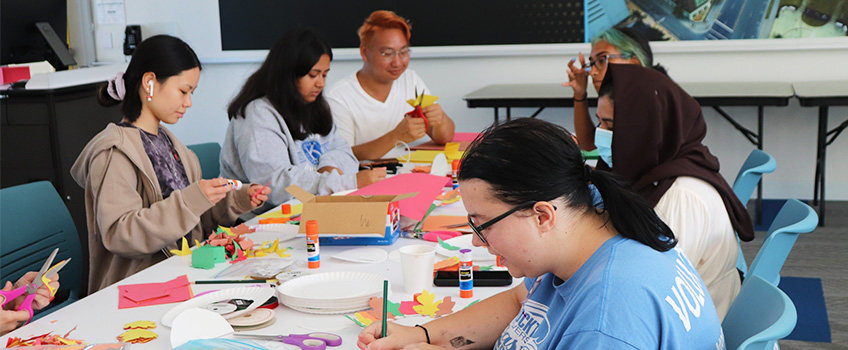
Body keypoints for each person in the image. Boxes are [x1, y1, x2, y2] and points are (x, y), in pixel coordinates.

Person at [358, 118, 724, 349]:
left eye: (482, 225)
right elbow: (522, 303)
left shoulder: (606, 322)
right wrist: (420, 335)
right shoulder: (588, 223)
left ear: (542, 215)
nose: (475, 241)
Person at [71, 35, 269, 292]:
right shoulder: (114, 153)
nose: (188, 102)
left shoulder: (176, 149)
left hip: (182, 276)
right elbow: (121, 234)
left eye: (191, 93)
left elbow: (195, 222)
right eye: (183, 91)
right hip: (138, 290)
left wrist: (237, 199)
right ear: (150, 83)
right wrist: (190, 200)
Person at [595, 63, 754, 318]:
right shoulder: (656, 172)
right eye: (599, 122)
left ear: (645, 128)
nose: (600, 135)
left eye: (611, 126)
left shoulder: (681, 196)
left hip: (694, 321)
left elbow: (657, 287)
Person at [221, 28, 385, 208]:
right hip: (264, 219)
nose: (321, 83)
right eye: (313, 75)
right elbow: (274, 184)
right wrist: (339, 183)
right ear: (288, 73)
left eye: (325, 74)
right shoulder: (258, 113)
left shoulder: (315, 105)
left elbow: (344, 152)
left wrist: (328, 168)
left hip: (311, 208)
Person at [325, 10, 455, 160]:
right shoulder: (338, 97)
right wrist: (395, 137)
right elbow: (342, 157)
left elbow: (445, 137)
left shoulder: (410, 80)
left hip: (409, 170)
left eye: (404, 52)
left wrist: (440, 120)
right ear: (365, 52)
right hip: (367, 178)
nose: (397, 62)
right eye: (387, 53)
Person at [563, 27, 667, 151]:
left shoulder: (656, 103)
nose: (592, 72)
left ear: (634, 63)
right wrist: (580, 94)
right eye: (591, 64)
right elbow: (589, 144)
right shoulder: (620, 100)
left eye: (602, 60)